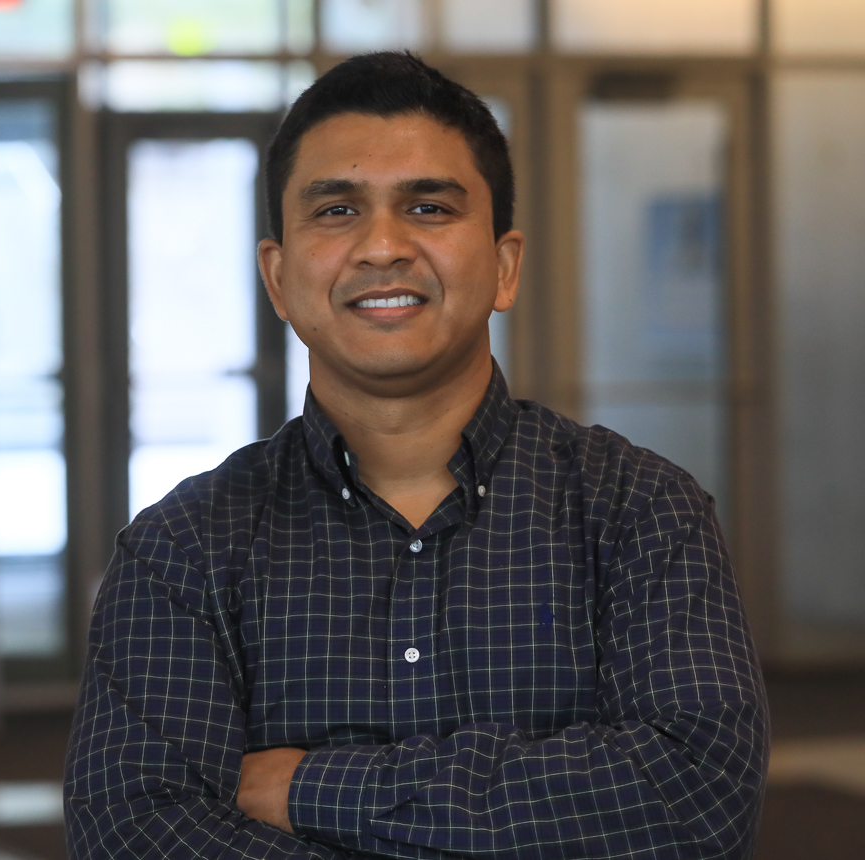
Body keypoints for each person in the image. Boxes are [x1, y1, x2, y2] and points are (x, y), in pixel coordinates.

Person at [65, 52, 768, 859]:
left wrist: (310, 789)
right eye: (336, 211)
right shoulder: (182, 550)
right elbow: (137, 831)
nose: (383, 247)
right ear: (280, 277)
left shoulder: (639, 510)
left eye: (429, 207)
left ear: (504, 267)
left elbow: (693, 800)